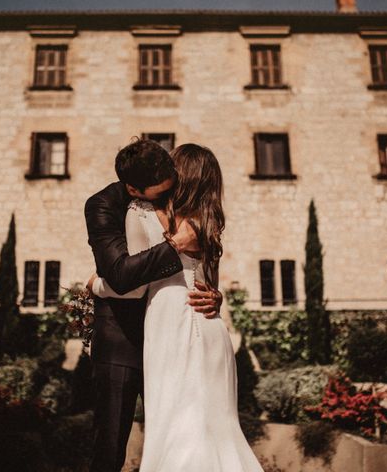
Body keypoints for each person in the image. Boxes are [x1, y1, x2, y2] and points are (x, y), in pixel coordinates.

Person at [89, 143, 264, 471]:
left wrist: (94, 285)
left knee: (176, 431)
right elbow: (205, 282)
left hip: (169, 328)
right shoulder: (206, 224)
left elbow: (134, 285)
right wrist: (214, 295)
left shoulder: (143, 213)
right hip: (178, 335)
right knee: (207, 429)